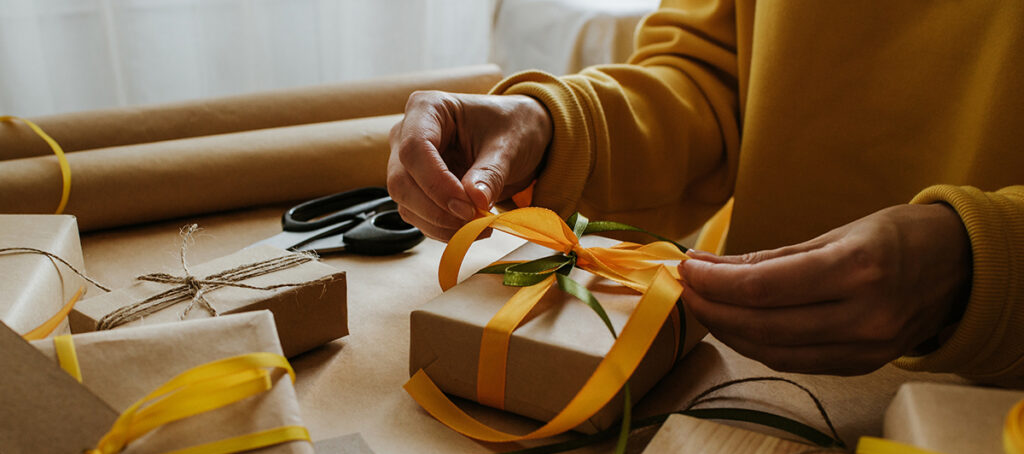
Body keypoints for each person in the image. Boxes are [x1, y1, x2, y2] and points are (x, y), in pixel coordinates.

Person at [387, 0, 1023, 384]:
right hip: (743, 368)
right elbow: (710, 72)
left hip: (986, 424)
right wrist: (551, 124)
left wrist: (981, 265)